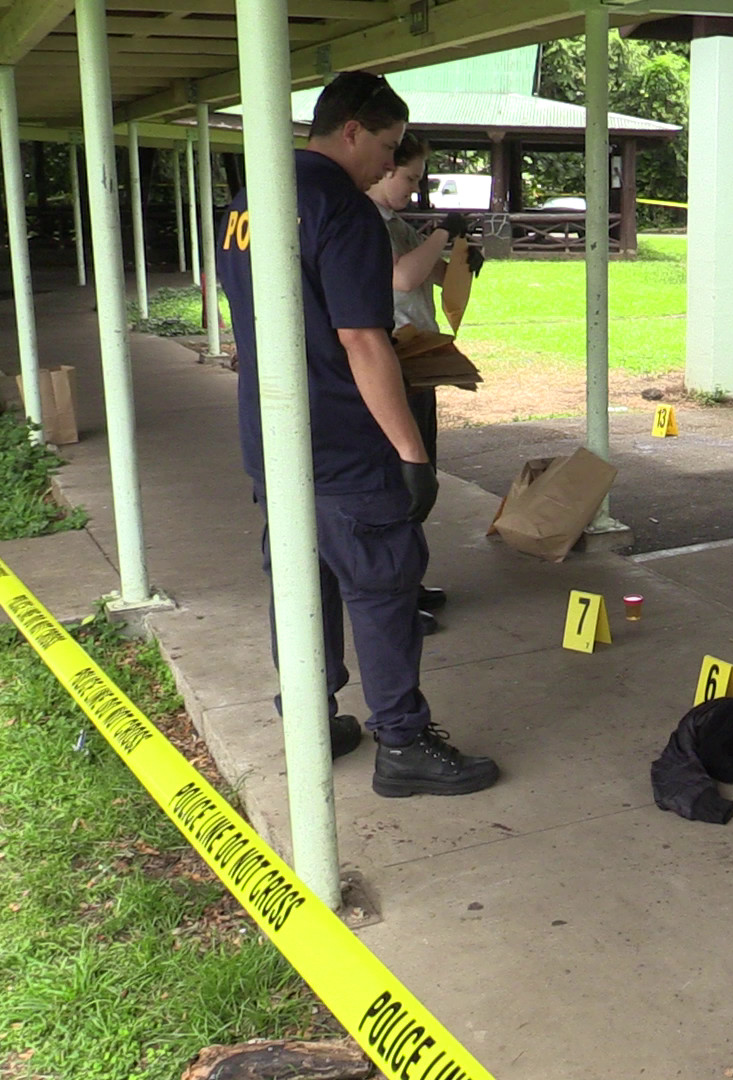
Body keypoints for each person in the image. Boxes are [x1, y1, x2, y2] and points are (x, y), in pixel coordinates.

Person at [215, 71, 498, 798]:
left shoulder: (250, 201)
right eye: (388, 145)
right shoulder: (342, 209)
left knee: (302, 585)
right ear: (351, 131)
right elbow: (363, 342)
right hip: (344, 441)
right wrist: (412, 453)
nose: (391, 162)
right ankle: (401, 741)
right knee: (381, 585)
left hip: (273, 441)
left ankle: (310, 718)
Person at [364, 134, 482, 634]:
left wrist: (461, 255)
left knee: (421, 476)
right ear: (386, 168)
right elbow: (402, 279)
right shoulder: (368, 221)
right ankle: (391, 595)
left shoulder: (397, 224)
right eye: (409, 178)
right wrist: (438, 232)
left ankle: (407, 581)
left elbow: (433, 274)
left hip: (418, 359)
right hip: (390, 360)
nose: (413, 189)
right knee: (400, 482)